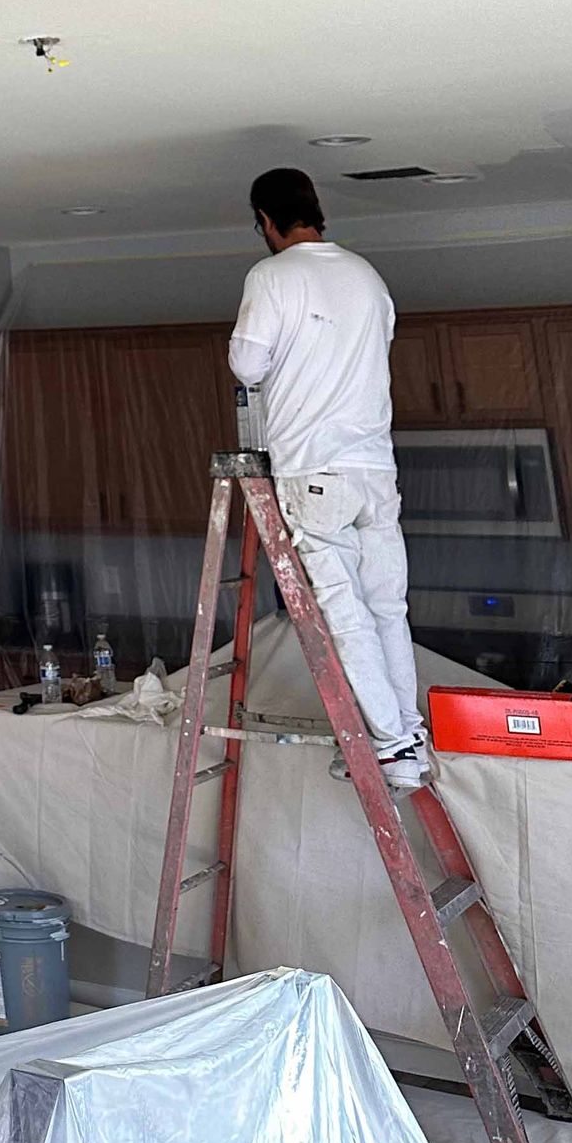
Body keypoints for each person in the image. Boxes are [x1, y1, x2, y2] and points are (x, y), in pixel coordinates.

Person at [229, 167, 429, 790]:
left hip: (314, 470)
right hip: (374, 467)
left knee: (345, 614)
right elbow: (379, 342)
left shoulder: (272, 275)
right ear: (316, 212)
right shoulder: (366, 275)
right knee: (387, 607)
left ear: (265, 220)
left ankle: (392, 745)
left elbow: (245, 364)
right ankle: (405, 737)